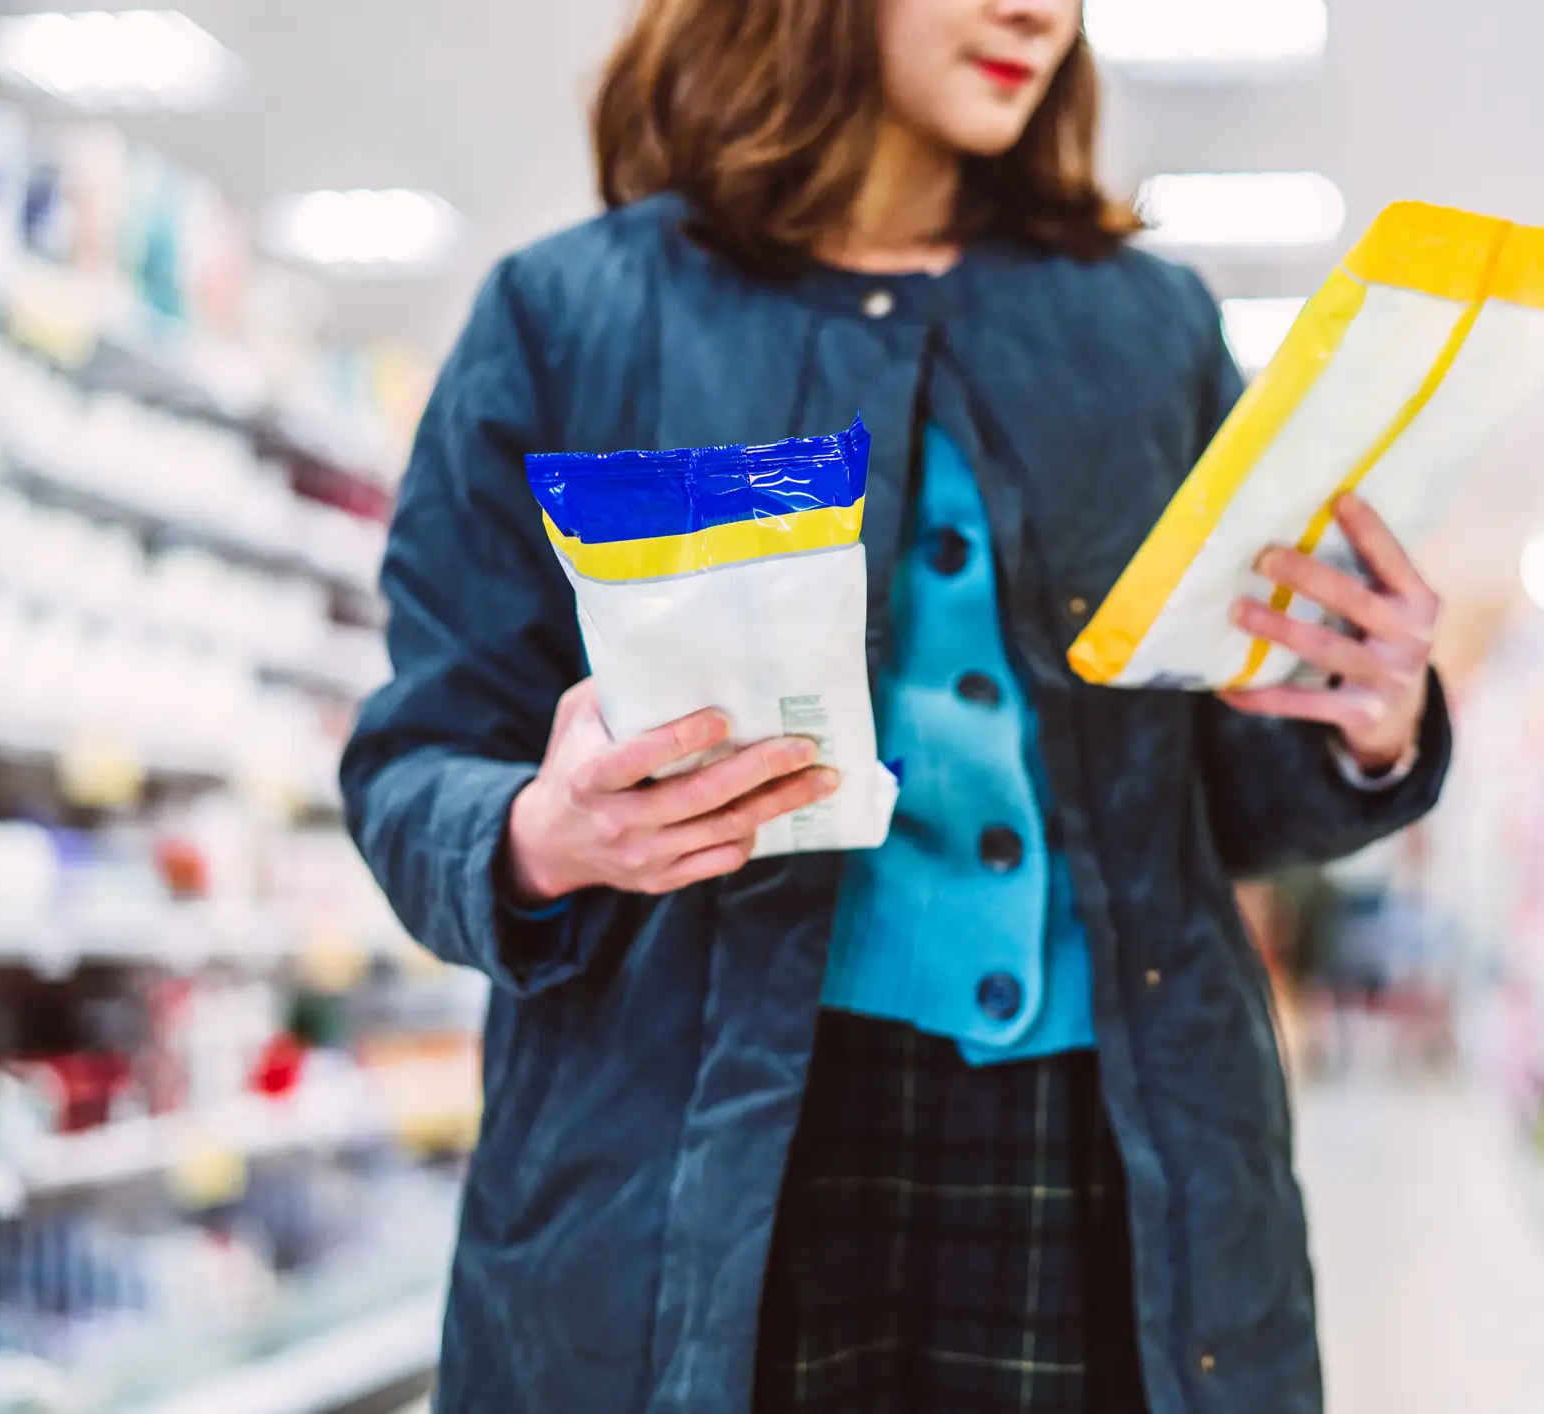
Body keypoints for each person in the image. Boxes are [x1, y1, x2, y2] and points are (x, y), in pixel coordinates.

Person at [340, 0, 1454, 1409]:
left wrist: (1364, 720)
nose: (1036, 13)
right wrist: (540, 833)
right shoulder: (569, 318)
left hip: (1109, 1154)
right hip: (699, 1176)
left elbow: (1207, 784)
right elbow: (416, 756)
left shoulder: (1146, 327)